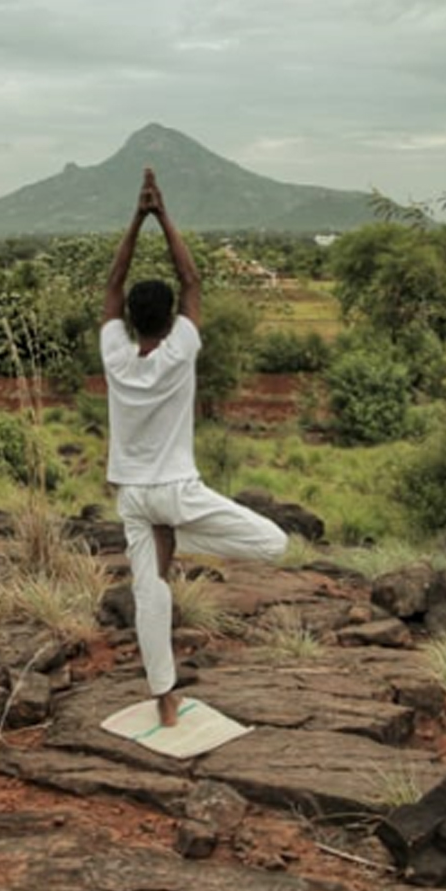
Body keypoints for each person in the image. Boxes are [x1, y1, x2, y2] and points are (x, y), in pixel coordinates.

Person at [101, 167, 288, 726]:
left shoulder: (115, 356)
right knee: (276, 546)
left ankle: (166, 700)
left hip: (133, 497)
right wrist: (163, 215)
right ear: (170, 319)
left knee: (150, 591)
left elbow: (111, 287)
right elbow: (194, 281)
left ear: (132, 321)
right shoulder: (181, 351)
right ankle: (180, 531)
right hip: (177, 494)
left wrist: (136, 219)